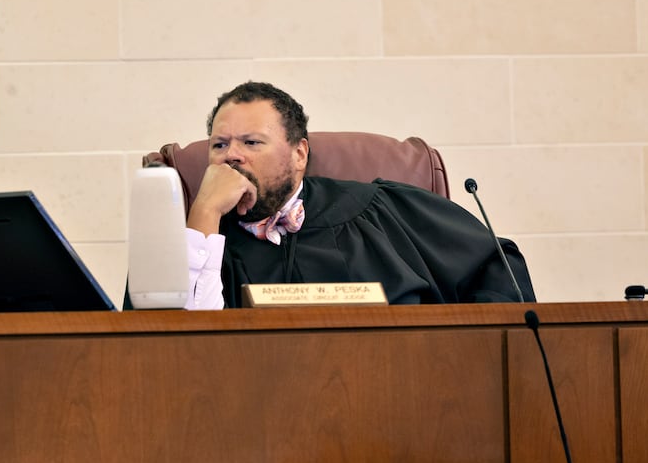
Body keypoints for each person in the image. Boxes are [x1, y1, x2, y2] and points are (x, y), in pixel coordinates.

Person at [148, 81, 536, 309]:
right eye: (219, 145)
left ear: (299, 154)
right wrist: (205, 211)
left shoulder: (380, 212)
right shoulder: (193, 241)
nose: (231, 155)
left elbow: (496, 266)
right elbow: (179, 350)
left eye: (251, 142)